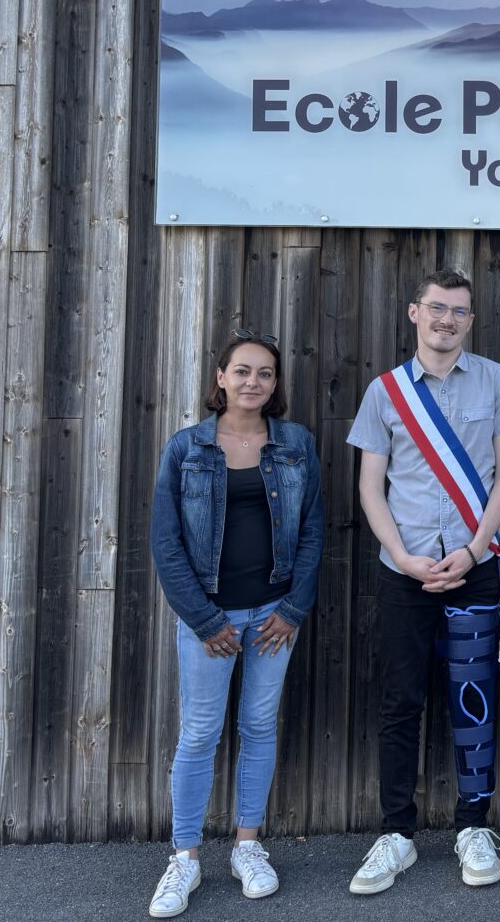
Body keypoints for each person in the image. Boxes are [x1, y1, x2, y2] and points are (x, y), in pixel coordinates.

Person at [346, 268, 500, 893]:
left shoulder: (496, 381)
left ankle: (472, 827)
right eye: (437, 308)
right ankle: (396, 834)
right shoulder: (385, 392)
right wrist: (402, 555)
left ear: (470, 321)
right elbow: (370, 486)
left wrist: (476, 549)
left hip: (475, 570)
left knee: (473, 700)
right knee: (400, 701)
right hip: (405, 573)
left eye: (458, 311)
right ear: (414, 312)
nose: (446, 320)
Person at [147, 330, 324, 918]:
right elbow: (166, 542)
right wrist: (203, 619)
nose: (254, 381)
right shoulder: (186, 448)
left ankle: (248, 847)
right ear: (220, 378)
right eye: (242, 371)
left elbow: (313, 531)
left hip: (274, 616)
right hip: (211, 619)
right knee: (200, 732)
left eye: (265, 373)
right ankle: (185, 857)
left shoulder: (295, 444)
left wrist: (292, 610)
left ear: (275, 384)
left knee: (258, 725)